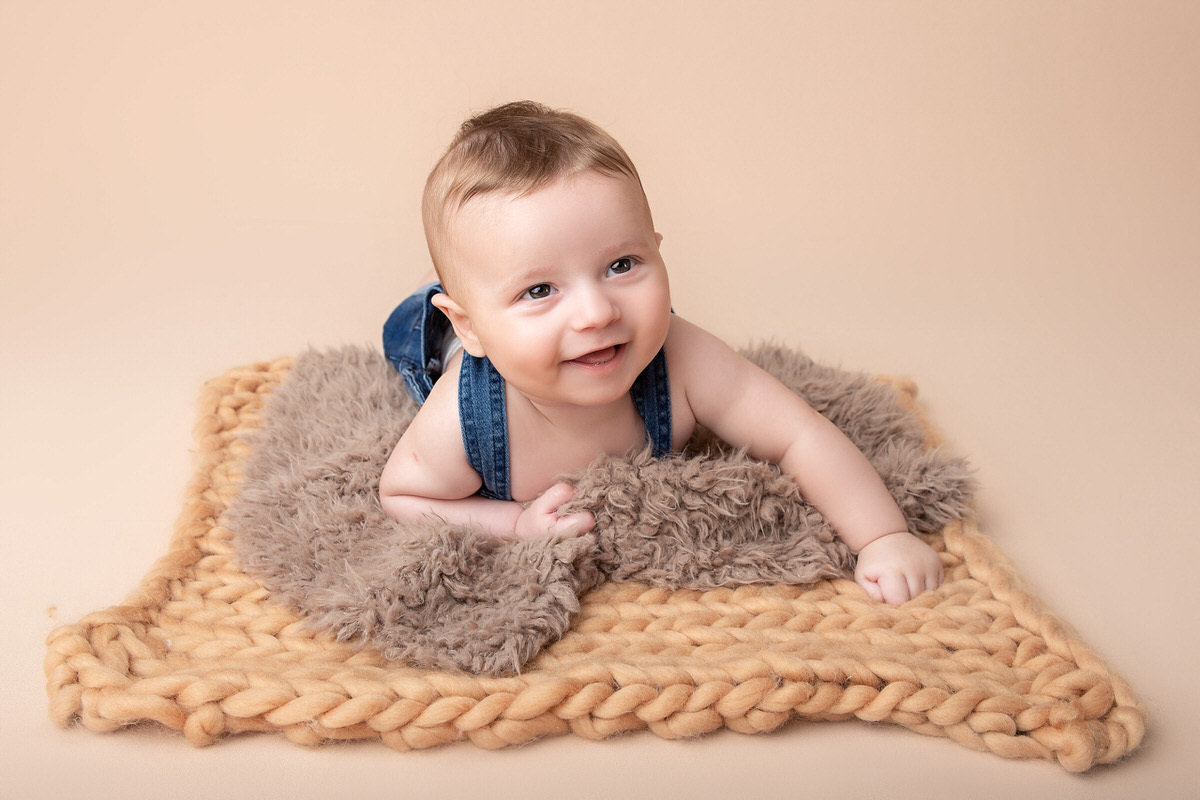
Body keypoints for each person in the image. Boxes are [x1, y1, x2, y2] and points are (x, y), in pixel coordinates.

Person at [380, 101, 942, 604]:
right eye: (540, 289)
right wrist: (515, 523)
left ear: (658, 251)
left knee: (514, 285)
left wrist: (882, 536)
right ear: (473, 325)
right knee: (423, 325)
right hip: (453, 344)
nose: (596, 313)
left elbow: (798, 433)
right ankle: (441, 295)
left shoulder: (681, 357)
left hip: (496, 317)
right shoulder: (463, 416)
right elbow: (402, 495)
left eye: (621, 265)